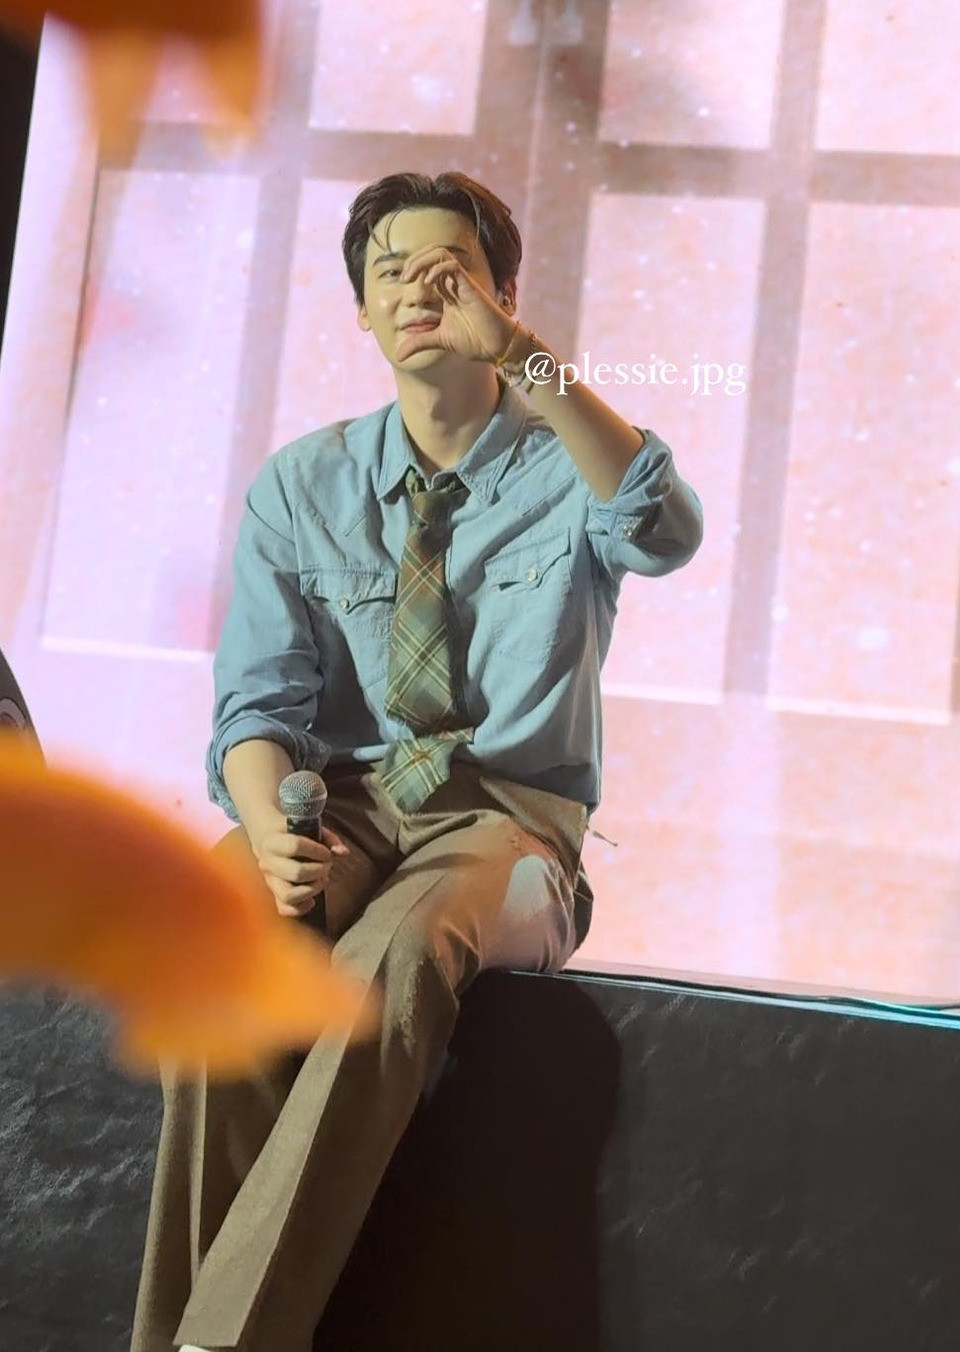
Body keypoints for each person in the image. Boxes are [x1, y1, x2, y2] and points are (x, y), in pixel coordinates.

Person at [131, 168, 704, 1352]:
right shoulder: (305, 482)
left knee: (395, 949)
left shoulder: (566, 458)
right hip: (344, 803)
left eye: (451, 270)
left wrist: (530, 363)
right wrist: (268, 826)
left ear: (502, 295)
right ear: (360, 310)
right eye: (391, 271)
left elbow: (665, 528)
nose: (417, 291)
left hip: (512, 823)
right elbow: (255, 704)